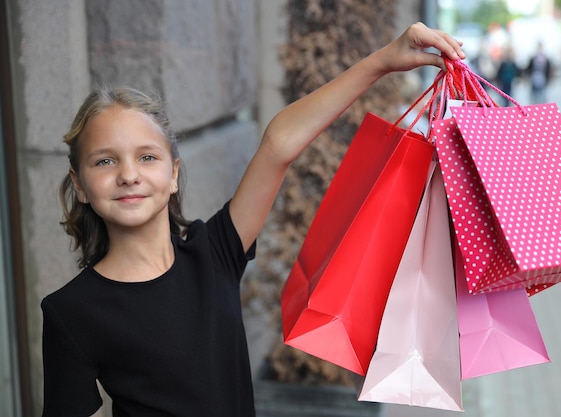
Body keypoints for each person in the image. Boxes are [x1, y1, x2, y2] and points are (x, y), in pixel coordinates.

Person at [41, 22, 465, 417]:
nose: (128, 174)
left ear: (172, 174)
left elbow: (278, 145)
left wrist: (384, 60)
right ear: (80, 185)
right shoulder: (70, 311)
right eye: (105, 161)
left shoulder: (215, 252)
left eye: (147, 157)